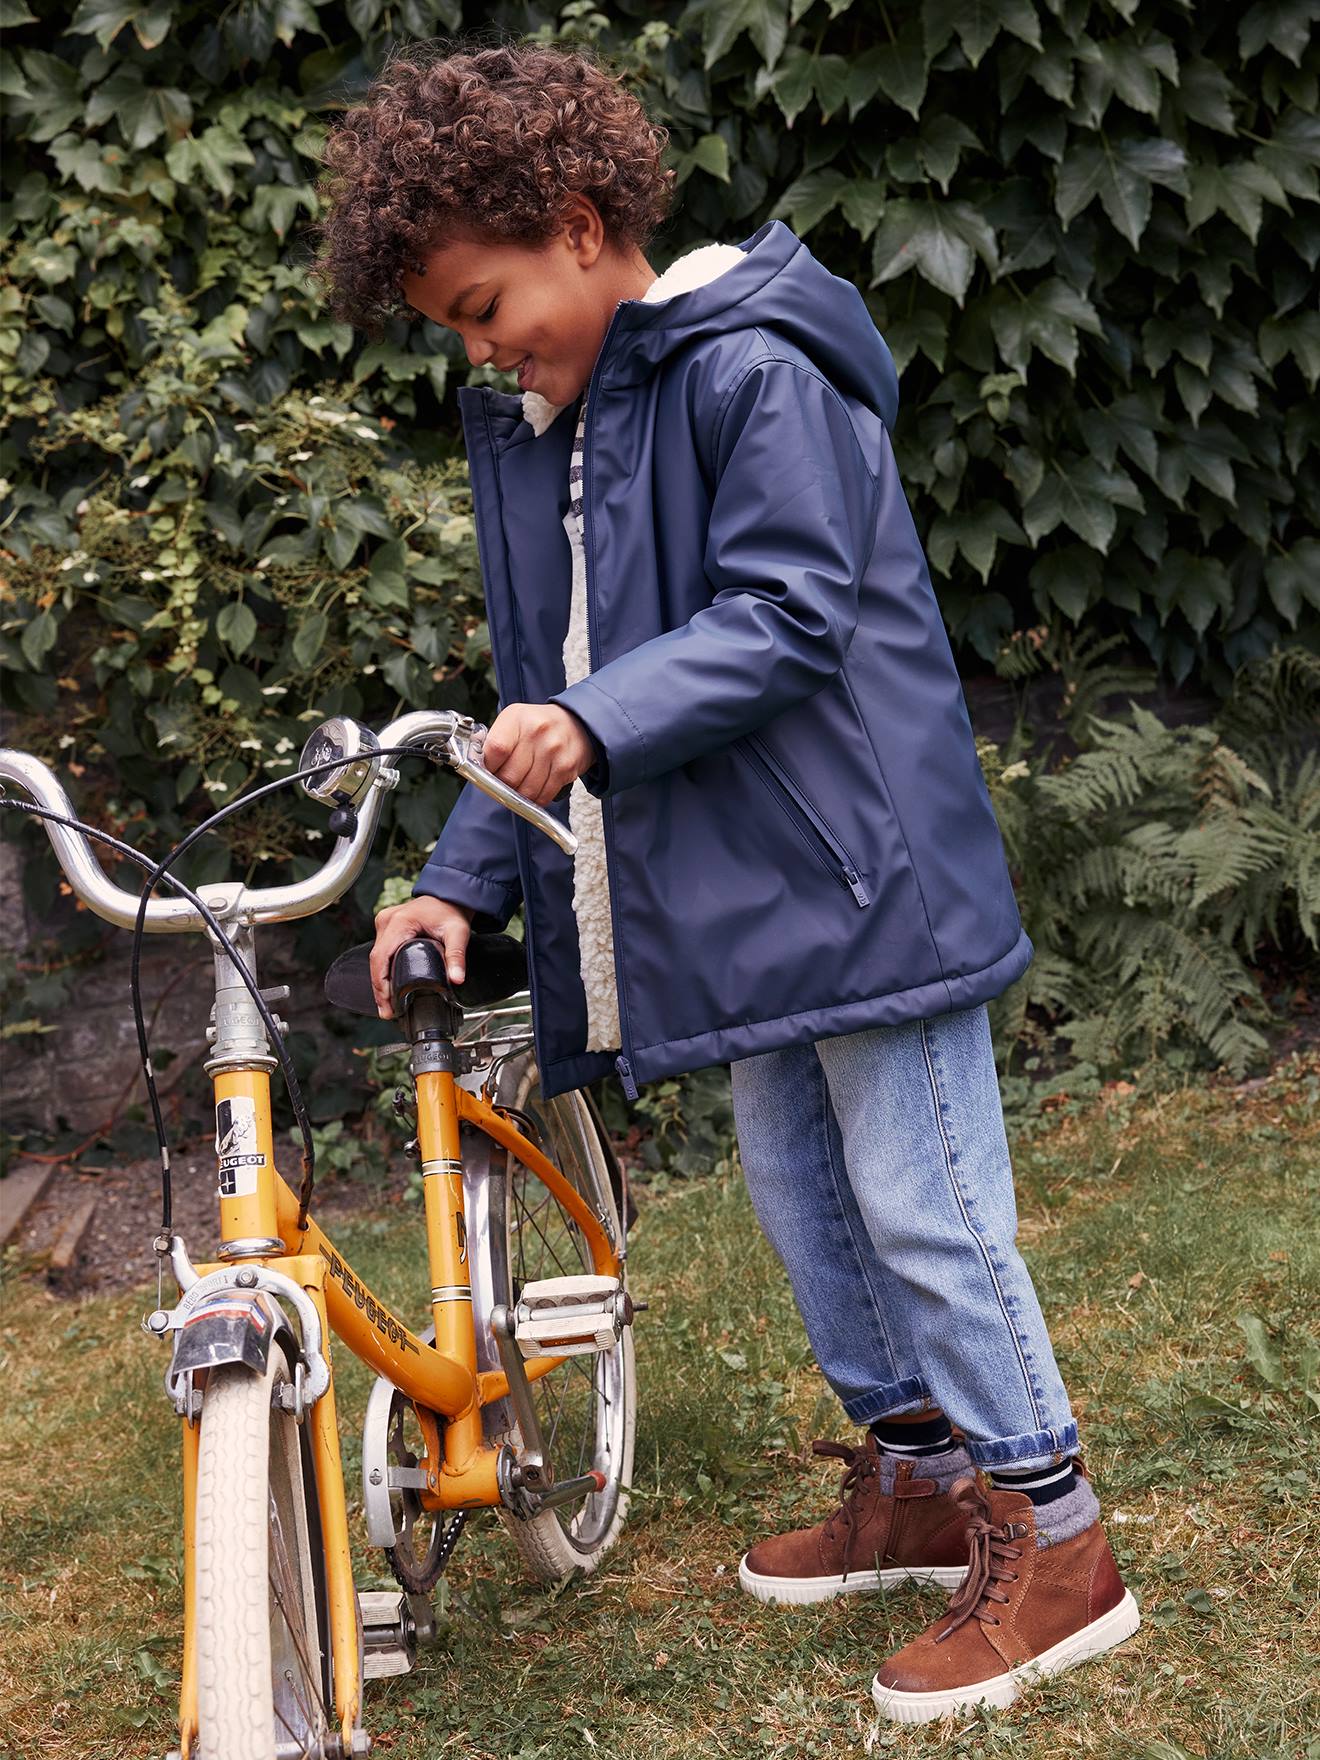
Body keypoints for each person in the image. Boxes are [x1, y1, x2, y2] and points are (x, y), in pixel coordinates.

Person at [312, 36, 1140, 1722]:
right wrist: (463, 877)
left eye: (483, 306)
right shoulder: (575, 431)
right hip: (758, 907)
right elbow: (547, 687)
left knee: (923, 1202)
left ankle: (1059, 1543)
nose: (478, 349)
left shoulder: (754, 367)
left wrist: (592, 721)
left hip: (866, 883)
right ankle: (921, 1478)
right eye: (452, 328)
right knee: (807, 1197)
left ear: (578, 222)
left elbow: (787, 611)